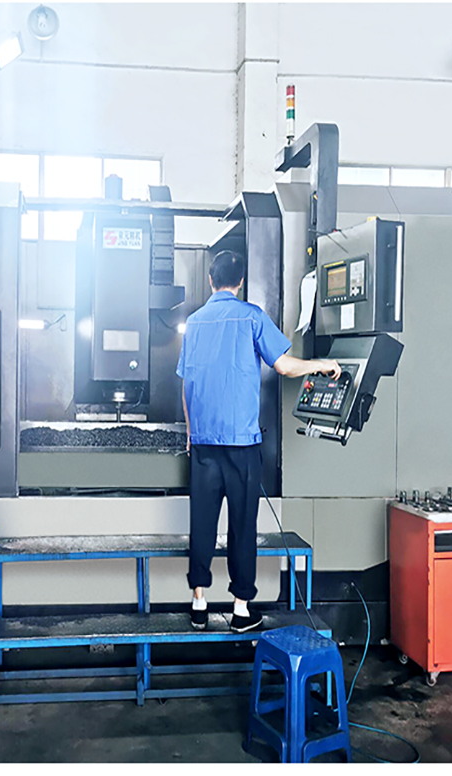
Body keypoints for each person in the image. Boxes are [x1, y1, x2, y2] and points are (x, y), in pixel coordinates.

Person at [176, 250, 341, 632]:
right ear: (241, 282)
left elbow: (187, 384)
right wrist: (321, 365)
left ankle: (198, 604)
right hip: (241, 445)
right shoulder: (251, 317)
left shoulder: (194, 323)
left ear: (211, 280)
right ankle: (240, 610)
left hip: (203, 444)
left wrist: (190, 432)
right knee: (242, 526)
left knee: (202, 523)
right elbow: (283, 365)